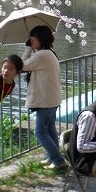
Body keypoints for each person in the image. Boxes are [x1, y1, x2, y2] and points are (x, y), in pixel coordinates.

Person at [22, 25, 66, 170]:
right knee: (50, 129)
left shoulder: (42, 55)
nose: (31, 41)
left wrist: (28, 49)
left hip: (46, 101)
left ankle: (58, 160)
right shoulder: (48, 53)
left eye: (33, 39)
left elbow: (22, 65)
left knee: (40, 131)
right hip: (52, 99)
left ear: (41, 39)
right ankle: (51, 156)